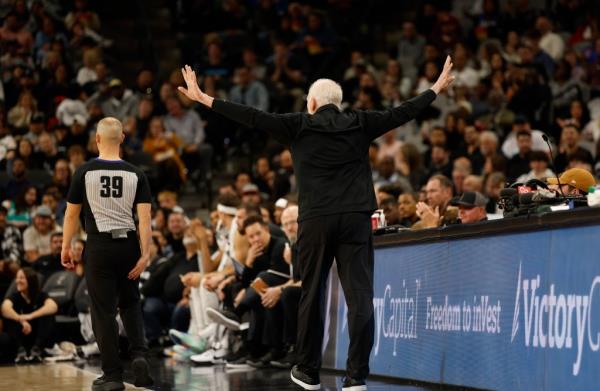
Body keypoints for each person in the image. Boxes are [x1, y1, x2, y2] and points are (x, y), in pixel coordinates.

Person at [178, 55, 455, 390]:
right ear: (337, 104)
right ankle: (356, 378)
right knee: (360, 296)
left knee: (313, 292)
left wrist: (205, 99)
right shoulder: (360, 121)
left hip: (317, 220)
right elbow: (403, 112)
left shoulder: (298, 124)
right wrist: (435, 88)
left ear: (311, 103)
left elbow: (252, 117)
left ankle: (308, 370)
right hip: (355, 219)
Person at [61, 117, 154, 391]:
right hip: (128, 245)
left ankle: (112, 375)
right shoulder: (136, 173)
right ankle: (139, 355)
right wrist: (145, 254)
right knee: (130, 303)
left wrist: (66, 246)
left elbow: (71, 214)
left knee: (102, 311)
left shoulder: (84, 171)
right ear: (122, 138)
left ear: (97, 139)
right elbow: (145, 219)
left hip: (99, 247)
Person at [1, 267, 58, 363]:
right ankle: (20, 350)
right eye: (17, 278)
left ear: (30, 280)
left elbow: (53, 306)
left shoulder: (40, 295)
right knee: (9, 317)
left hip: (36, 334)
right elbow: (4, 308)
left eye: (21, 278)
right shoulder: (15, 296)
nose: (18, 281)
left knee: (48, 314)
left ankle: (37, 349)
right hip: (21, 334)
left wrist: (30, 316)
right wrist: (20, 319)